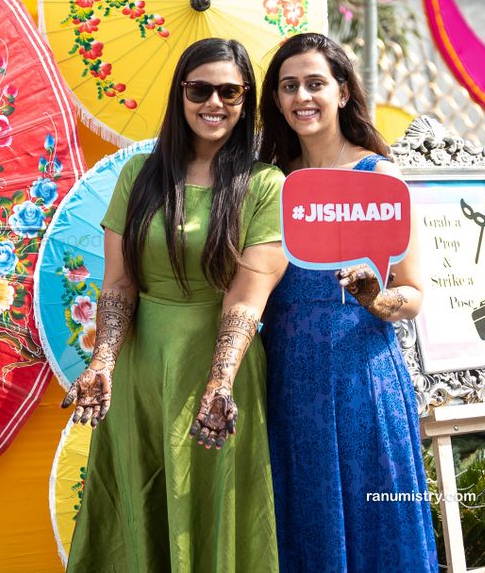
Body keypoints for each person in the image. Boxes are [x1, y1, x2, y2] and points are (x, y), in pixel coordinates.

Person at [61, 38, 287, 572]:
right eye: (200, 89)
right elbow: (118, 285)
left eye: (230, 92)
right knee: (136, 500)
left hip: (219, 369)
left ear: (246, 100)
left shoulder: (263, 184)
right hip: (139, 369)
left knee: (211, 500)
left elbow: (246, 297)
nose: (215, 103)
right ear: (180, 96)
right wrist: (103, 361)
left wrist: (219, 380)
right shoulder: (137, 175)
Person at [258, 32, 437, 572]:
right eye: (289, 87)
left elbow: (415, 293)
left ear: (342, 92)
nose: (301, 97)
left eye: (315, 83)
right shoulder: (269, 182)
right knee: (302, 517)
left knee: (372, 519)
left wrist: (376, 299)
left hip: (362, 376)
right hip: (287, 378)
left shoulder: (379, 178)